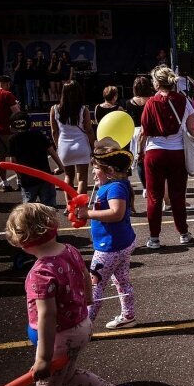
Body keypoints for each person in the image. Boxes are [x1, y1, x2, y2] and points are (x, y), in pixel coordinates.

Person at [5, 203, 131, 386]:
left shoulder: (40, 273)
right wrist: (88, 299)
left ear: (23, 242)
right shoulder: (70, 250)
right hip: (82, 325)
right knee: (67, 373)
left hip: (60, 338)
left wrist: (43, 359)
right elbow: (84, 275)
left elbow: (47, 315)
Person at [76, 140, 137, 330]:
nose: (93, 172)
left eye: (95, 168)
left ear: (108, 170)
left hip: (109, 248)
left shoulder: (115, 187)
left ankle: (85, 327)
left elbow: (116, 213)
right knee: (121, 280)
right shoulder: (111, 185)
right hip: (120, 243)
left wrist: (88, 214)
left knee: (95, 287)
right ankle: (128, 315)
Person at [139, 65, 194, 249]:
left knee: (154, 197)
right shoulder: (184, 101)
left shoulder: (151, 103)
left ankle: (154, 238)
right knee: (178, 195)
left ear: (157, 83)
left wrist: (139, 152)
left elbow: (144, 132)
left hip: (154, 152)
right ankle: (184, 233)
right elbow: (192, 129)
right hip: (177, 152)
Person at [9, 111, 65, 207]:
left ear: (12, 126)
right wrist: (60, 166)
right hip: (45, 176)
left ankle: (30, 222)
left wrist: (19, 175)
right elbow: (52, 152)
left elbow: (13, 161)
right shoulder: (38, 135)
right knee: (49, 207)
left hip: (27, 180)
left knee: (29, 209)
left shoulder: (13, 139)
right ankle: (50, 221)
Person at [51, 81, 94, 199]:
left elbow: (54, 132)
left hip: (65, 146)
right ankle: (81, 207)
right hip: (81, 145)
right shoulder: (83, 109)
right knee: (82, 178)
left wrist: (58, 147)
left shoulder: (54, 109)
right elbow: (89, 130)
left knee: (68, 177)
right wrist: (93, 148)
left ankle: (69, 206)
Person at [126, 76, 153, 200]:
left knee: (140, 160)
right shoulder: (152, 100)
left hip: (135, 131)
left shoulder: (129, 102)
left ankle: (145, 187)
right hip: (150, 130)